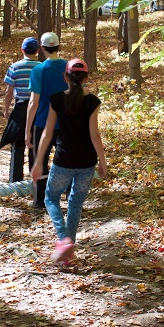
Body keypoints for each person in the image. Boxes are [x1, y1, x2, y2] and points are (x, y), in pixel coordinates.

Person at [31, 58, 107, 265]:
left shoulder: (56, 99)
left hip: (63, 161)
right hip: (86, 163)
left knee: (50, 198)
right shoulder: (92, 101)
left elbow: (47, 133)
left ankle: (64, 240)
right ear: (86, 78)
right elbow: (95, 135)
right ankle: (68, 250)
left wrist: (38, 162)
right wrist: (102, 161)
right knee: (75, 203)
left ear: (65, 77)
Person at [25, 32, 68, 208]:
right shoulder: (69, 67)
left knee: (39, 161)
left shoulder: (38, 70)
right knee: (66, 159)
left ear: (42, 49)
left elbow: (33, 102)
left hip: (42, 123)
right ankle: (69, 198)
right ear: (59, 46)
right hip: (66, 123)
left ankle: (39, 201)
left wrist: (27, 129)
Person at [2, 37, 40, 182]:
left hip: (20, 108)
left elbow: (9, 91)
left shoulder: (15, 67)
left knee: (17, 144)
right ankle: (35, 181)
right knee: (35, 144)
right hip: (38, 107)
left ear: (22, 50)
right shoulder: (41, 67)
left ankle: (15, 181)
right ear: (37, 51)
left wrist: (6, 109)